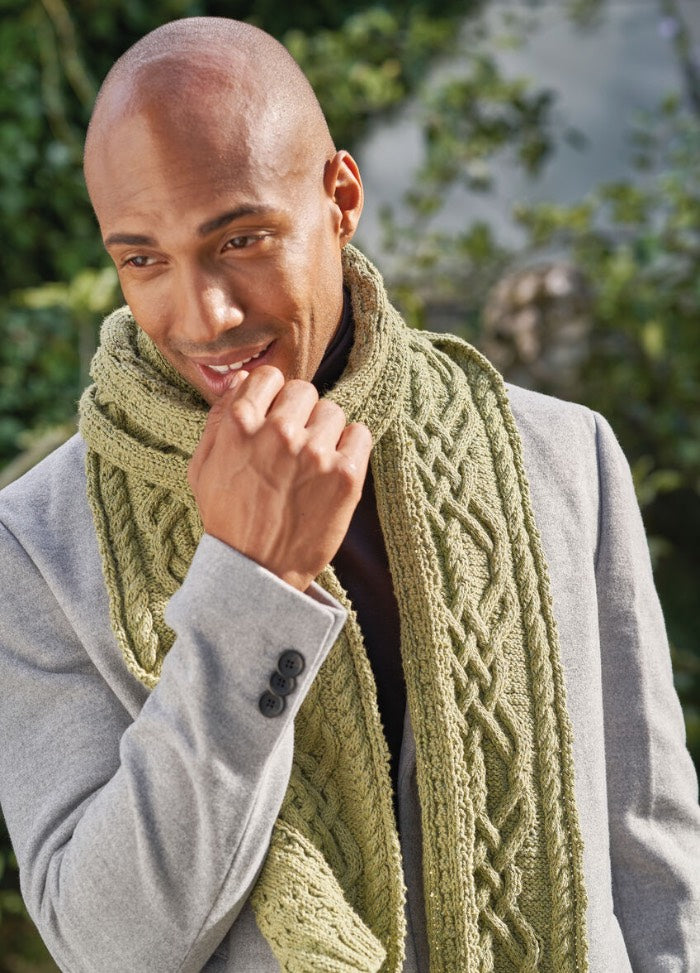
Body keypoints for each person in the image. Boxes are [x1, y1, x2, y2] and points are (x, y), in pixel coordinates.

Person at [0, 16, 698, 973]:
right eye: (144, 259)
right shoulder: (36, 544)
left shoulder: (565, 455)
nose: (205, 314)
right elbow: (108, 946)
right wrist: (249, 586)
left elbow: (655, 869)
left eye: (241, 238)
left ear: (341, 198)